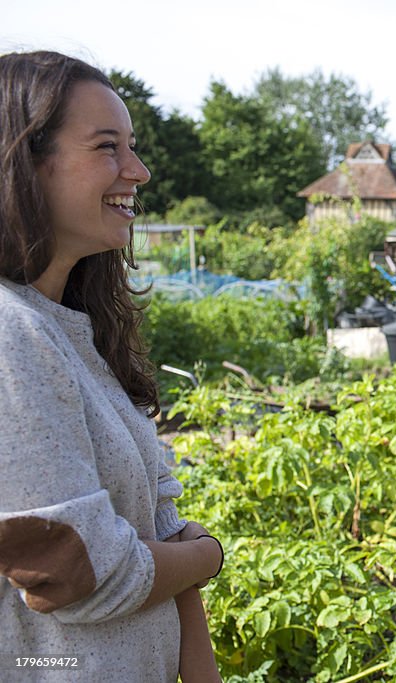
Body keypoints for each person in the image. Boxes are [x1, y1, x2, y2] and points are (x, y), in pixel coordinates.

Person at [0, 51, 222, 682]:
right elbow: (71, 572)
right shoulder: (8, 332)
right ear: (21, 162)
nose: (139, 171)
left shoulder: (68, 330)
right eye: (107, 147)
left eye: (133, 146)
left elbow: (161, 525)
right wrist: (207, 557)